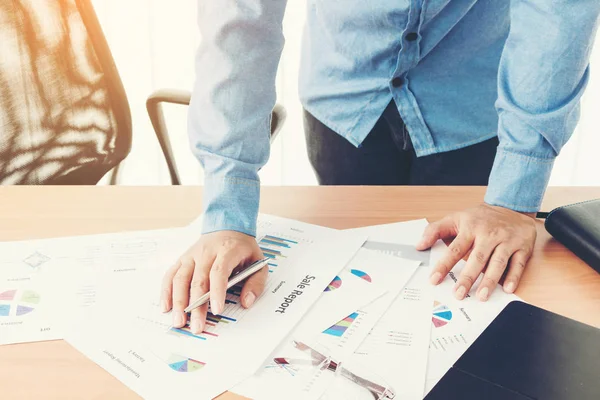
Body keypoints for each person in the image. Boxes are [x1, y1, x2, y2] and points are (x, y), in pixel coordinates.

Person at [161, 1, 600, 334]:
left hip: (474, 106)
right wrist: (227, 211)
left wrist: (513, 197)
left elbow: (557, 14)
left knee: (461, 296)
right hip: (343, 101)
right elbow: (241, 21)